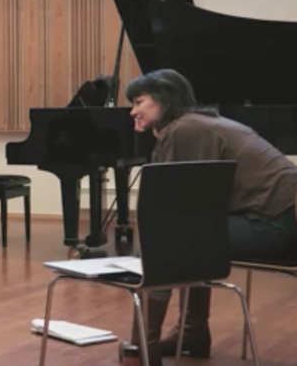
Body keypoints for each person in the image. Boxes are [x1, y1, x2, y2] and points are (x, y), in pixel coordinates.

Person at [124, 68, 297, 365]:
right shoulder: (199, 124)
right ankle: (192, 333)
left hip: (275, 226)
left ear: (164, 99)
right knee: (187, 231)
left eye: (139, 101)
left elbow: (165, 203)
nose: (132, 111)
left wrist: (162, 140)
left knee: (159, 241)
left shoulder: (183, 130)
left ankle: (143, 345)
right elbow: (196, 204)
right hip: (281, 221)